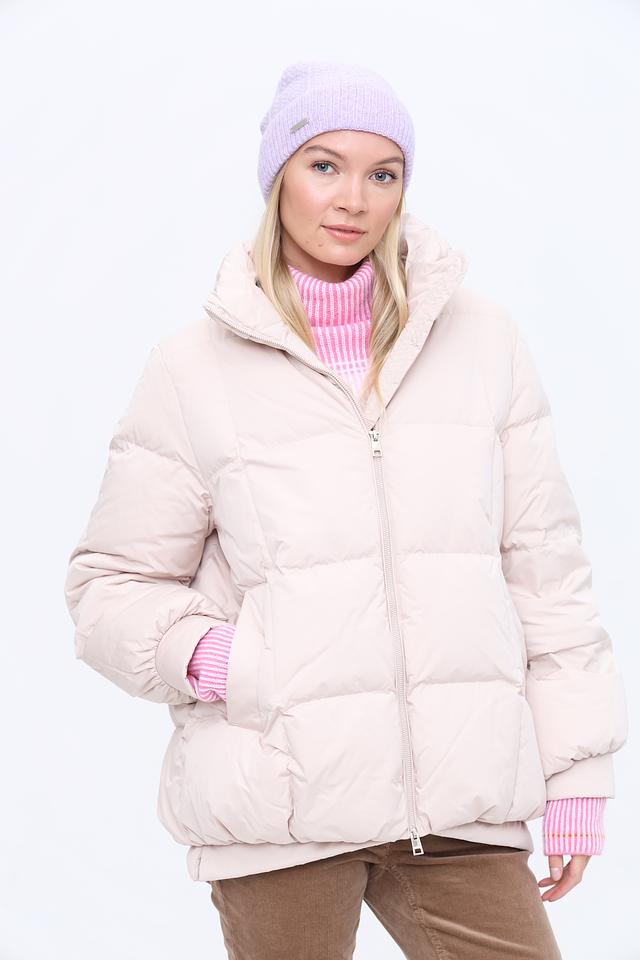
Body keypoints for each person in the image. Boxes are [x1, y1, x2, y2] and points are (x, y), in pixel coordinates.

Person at [63, 60, 628, 958]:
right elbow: (110, 584)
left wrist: (577, 774)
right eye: (323, 165)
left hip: (459, 804)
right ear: (278, 177)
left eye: (382, 172)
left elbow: (545, 571)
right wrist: (224, 660)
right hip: (280, 803)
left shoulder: (483, 340)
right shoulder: (192, 370)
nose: (353, 198)